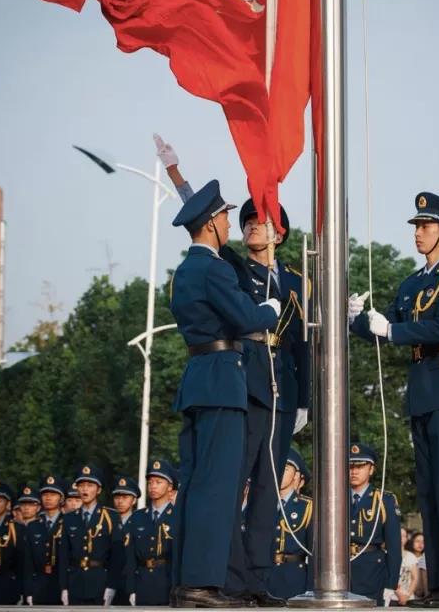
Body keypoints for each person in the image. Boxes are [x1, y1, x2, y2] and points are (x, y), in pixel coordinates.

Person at [158, 136, 309, 606]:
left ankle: (247, 580)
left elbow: (300, 344)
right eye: (237, 220)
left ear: (279, 233)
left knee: (258, 490)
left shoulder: (296, 282)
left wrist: (304, 398)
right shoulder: (232, 269)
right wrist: (177, 178)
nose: (243, 226)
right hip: (241, 385)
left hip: (273, 390)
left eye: (257, 221)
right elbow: (201, 225)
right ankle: (219, 579)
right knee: (223, 487)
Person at [350, 192, 439, 609]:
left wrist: (392, 331)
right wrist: (355, 319)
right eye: (416, 227)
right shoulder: (412, 283)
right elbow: (385, 325)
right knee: (429, 492)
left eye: (425, 226)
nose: (417, 233)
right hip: (423, 390)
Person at [167, 178, 282, 608]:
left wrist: (179, 177)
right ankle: (204, 584)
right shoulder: (214, 268)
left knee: (196, 486)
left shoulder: (185, 270)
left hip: (198, 376)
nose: (229, 223)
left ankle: (187, 581)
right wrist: (268, 311)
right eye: (225, 217)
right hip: (222, 380)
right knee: (217, 487)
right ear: (211, 223)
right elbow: (242, 317)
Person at [59, 464, 124, 605]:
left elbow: (117, 556)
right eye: (81, 485)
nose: (85, 489)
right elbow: (63, 555)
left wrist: (111, 586)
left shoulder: (110, 516)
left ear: (98, 489)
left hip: (100, 582)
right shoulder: (69, 518)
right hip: (75, 582)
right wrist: (64, 587)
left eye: (90, 485)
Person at [347, 442, 403, 604]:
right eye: (350, 466)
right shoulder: (336, 499)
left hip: (371, 572)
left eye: (361, 466)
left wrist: (391, 583)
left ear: (371, 469)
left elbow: (394, 546)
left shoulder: (384, 500)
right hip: (340, 572)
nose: (354, 471)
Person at [124, 458, 178, 606]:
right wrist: (131, 589)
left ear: (169, 487)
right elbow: (130, 556)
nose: (153, 486)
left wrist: (177, 587)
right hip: (143, 584)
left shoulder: (178, 516)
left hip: (167, 584)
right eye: (150, 482)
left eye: (158, 482)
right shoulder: (138, 517)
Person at [266, 449, 313, 602]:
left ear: (297, 476)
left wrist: (312, 589)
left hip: (294, 579)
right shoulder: (261, 505)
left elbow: (314, 553)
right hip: (264, 578)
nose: (279, 472)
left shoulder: (307, 507)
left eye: (285, 469)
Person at [21, 475, 66, 606]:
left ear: (61, 498)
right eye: (45, 494)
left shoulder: (68, 522)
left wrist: (66, 588)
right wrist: (28, 591)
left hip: (60, 586)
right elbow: (28, 564)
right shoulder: (33, 526)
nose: (48, 498)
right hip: (38, 587)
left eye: (53, 494)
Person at [111, 474, 139, 607]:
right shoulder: (107, 522)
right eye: (117, 497)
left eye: (125, 497)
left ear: (134, 500)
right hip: (109, 581)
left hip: (132, 580)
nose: (120, 501)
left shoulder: (139, 522)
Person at [400, 530, 422, 606]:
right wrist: (399, 593)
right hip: (389, 597)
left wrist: (407, 595)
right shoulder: (385, 554)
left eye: (404, 536)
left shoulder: (411, 556)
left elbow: (415, 578)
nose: (401, 538)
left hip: (408, 598)